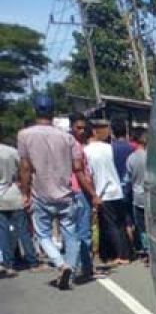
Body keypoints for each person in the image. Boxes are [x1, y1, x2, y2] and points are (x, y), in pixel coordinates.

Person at [17, 94, 95, 289]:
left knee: (42, 234)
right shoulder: (67, 138)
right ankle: (70, 266)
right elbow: (77, 167)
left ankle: (61, 264)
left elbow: (25, 168)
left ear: (35, 110)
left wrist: (25, 194)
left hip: (41, 193)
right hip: (66, 194)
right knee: (71, 233)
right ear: (53, 112)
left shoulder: (24, 135)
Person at [84, 120, 133, 265]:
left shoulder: (86, 151)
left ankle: (120, 255)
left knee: (109, 225)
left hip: (102, 192)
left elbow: (90, 174)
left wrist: (94, 194)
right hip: (116, 188)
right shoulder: (108, 147)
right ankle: (126, 252)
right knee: (120, 223)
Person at [0, 127, 40, 276]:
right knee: (23, 230)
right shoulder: (11, 151)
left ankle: (8, 263)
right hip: (14, 194)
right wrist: (25, 191)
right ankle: (32, 261)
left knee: (3, 232)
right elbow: (25, 169)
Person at [68, 113, 98, 281]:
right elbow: (80, 173)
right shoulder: (76, 147)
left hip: (73, 192)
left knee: (73, 232)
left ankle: (78, 267)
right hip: (80, 191)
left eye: (83, 127)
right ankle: (84, 268)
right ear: (71, 127)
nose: (81, 130)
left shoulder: (71, 144)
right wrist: (93, 194)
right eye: (78, 127)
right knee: (83, 232)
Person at [110, 118, 141, 256]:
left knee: (122, 219)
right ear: (126, 131)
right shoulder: (133, 148)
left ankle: (128, 248)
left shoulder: (110, 148)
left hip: (116, 188)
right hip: (132, 186)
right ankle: (137, 245)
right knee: (134, 218)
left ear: (112, 132)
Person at [126, 134, 148, 257]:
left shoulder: (131, 158)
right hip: (149, 195)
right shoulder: (150, 157)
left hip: (137, 196)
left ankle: (146, 249)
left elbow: (128, 178)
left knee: (142, 227)